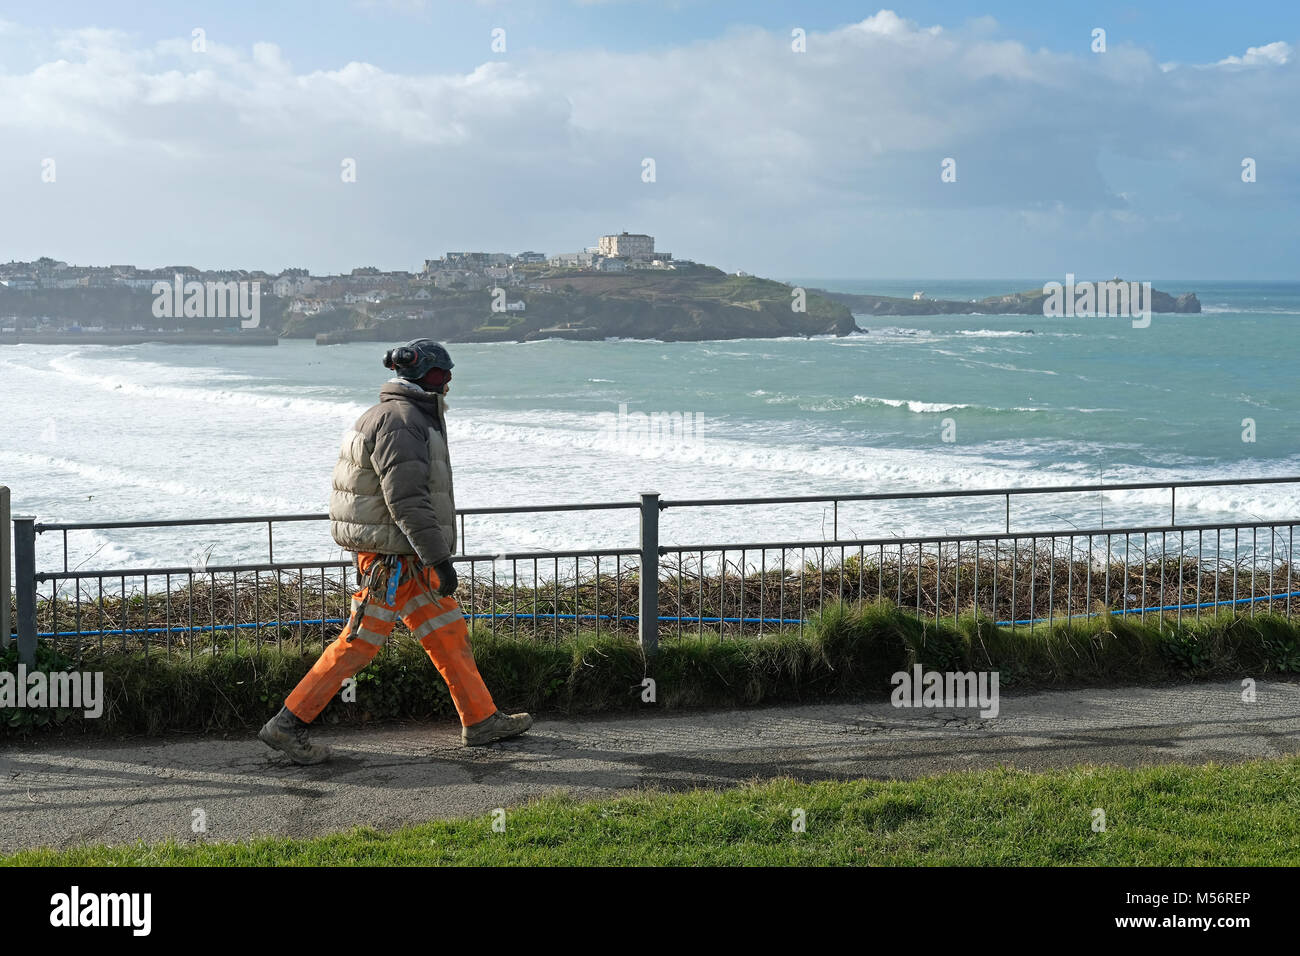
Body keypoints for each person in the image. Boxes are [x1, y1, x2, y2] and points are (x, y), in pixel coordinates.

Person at [259, 339, 531, 764]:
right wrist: (439, 558)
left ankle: (480, 720)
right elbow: (406, 501)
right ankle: (286, 725)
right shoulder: (403, 422)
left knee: (448, 633)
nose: (450, 380)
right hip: (393, 560)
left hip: (402, 554)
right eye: (444, 373)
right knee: (359, 643)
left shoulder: (391, 414)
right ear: (427, 377)